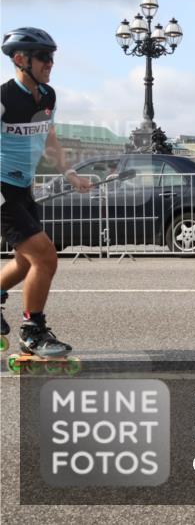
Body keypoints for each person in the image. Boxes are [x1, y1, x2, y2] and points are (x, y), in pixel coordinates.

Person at [0, 27, 92, 357]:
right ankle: (32, 331)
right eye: (43, 57)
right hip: (2, 191)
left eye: (52, 57)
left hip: (23, 187)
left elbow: (48, 136)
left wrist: (69, 174)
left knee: (26, 263)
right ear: (20, 59)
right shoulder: (3, 98)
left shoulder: (48, 95)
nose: (50, 63)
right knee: (45, 257)